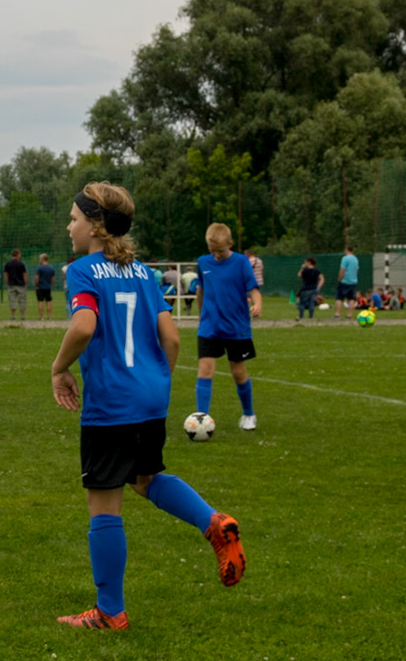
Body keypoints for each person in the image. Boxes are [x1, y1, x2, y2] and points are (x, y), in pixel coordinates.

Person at [49, 182, 246, 631]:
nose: (69, 226)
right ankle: (212, 521)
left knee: (103, 505)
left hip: (111, 404)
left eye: (75, 218)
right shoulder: (143, 273)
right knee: (144, 478)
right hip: (150, 399)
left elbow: (83, 325)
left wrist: (59, 368)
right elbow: (172, 338)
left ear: (95, 226)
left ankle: (109, 612)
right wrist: (158, 381)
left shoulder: (81, 270)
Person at [191, 222, 263, 432]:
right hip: (209, 327)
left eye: (220, 251)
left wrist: (257, 303)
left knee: (238, 372)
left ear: (230, 244)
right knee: (205, 369)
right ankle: (201, 418)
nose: (216, 255)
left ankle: (249, 414)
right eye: (212, 251)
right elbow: (201, 291)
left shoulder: (241, 262)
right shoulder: (203, 262)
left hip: (236, 328)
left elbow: (253, 289)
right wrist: (201, 315)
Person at [3, 249, 29, 321]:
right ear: (18, 255)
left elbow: (5, 274)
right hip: (21, 284)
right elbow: (25, 274)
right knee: (22, 300)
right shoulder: (21, 264)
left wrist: (7, 281)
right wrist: (25, 282)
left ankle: (13, 315)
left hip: (11, 284)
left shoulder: (8, 263)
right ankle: (22, 315)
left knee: (12, 300)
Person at [336, 246, 360, 318]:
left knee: (339, 298)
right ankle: (349, 314)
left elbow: (342, 269)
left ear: (346, 250)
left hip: (345, 280)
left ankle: (337, 314)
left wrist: (340, 278)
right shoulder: (355, 259)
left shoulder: (345, 258)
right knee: (351, 298)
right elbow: (357, 269)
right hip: (353, 281)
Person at [34, 253, 58, 320]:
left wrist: (36, 285)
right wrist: (50, 284)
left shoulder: (39, 268)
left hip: (40, 286)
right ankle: (49, 316)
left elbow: (37, 278)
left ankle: (41, 317)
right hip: (48, 287)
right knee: (48, 301)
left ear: (42, 259)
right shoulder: (51, 268)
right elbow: (53, 278)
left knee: (40, 301)